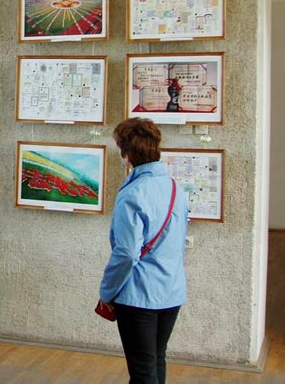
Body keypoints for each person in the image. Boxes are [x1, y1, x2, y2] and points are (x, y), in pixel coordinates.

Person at [98, 117, 188, 384]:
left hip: (139, 296)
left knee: (142, 371)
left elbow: (126, 253)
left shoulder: (132, 193)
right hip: (172, 290)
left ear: (127, 153)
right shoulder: (175, 188)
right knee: (156, 360)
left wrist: (106, 291)